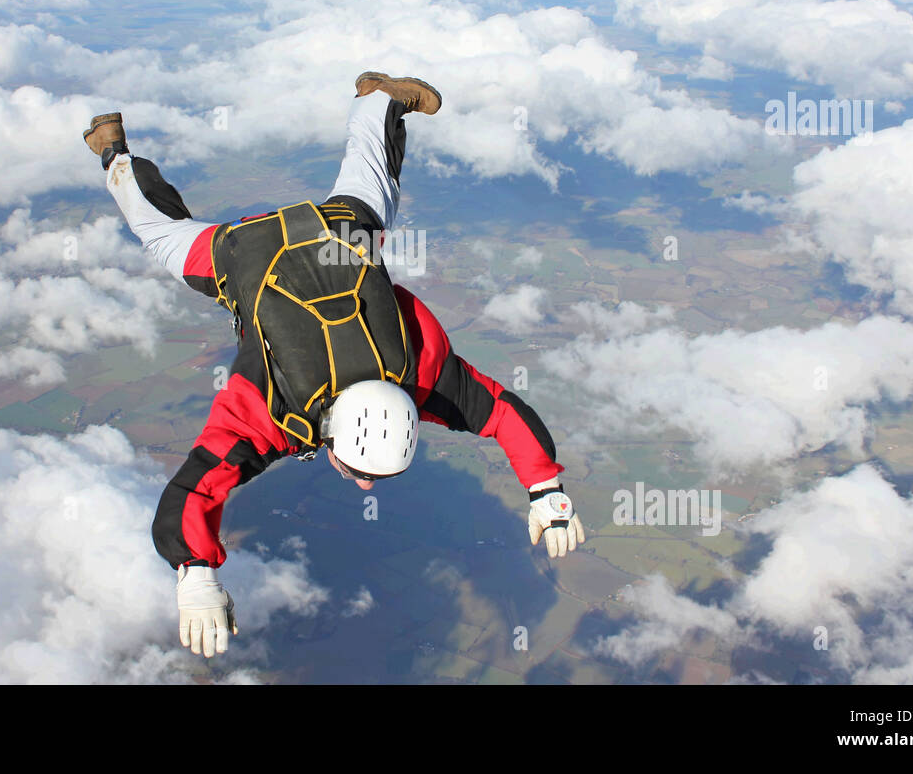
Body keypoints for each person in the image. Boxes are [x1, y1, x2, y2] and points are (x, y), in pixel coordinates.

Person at [84, 72, 585, 659]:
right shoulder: (272, 410)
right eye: (366, 470)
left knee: (370, 172)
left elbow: (503, 412)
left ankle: (378, 101)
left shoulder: (421, 375)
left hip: (339, 232)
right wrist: (194, 572)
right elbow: (193, 488)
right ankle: (112, 152)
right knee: (157, 231)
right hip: (242, 254)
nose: (366, 482)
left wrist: (546, 487)